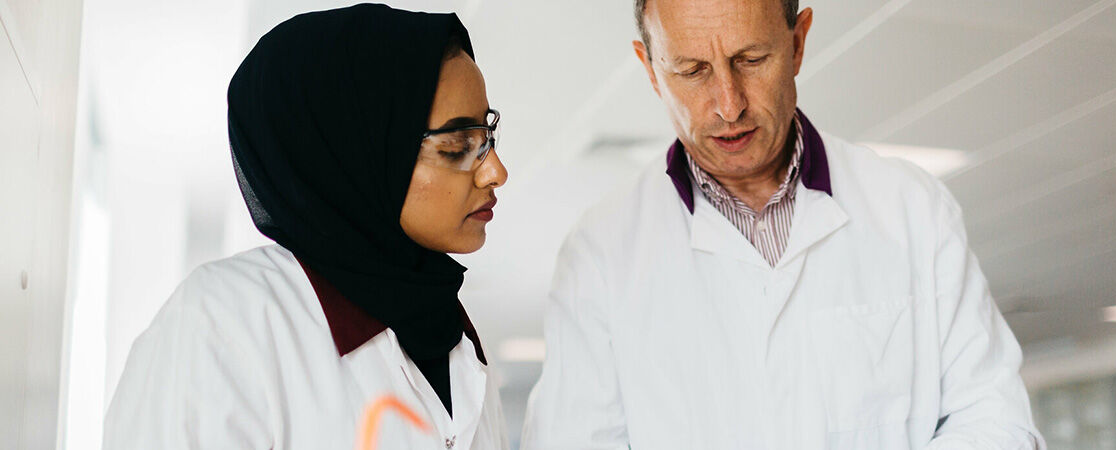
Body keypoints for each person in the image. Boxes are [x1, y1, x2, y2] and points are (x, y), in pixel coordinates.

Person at [521, 0, 1045, 448]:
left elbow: (995, 420)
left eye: (750, 59)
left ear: (797, 44)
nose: (729, 104)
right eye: (691, 70)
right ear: (650, 68)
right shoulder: (601, 252)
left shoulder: (913, 208)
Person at [103, 4, 509, 449]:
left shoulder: (452, 337)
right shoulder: (226, 324)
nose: (495, 171)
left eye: (486, 137)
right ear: (359, 155)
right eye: (457, 144)